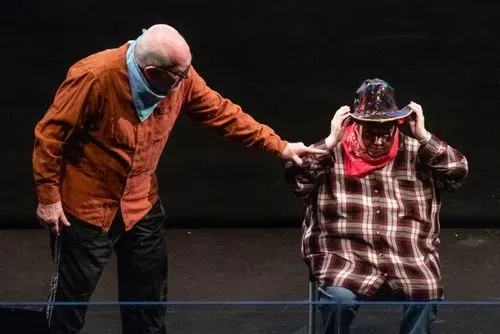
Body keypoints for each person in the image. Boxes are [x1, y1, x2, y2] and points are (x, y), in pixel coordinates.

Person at [32, 24, 325, 333]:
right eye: (179, 75)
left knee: (148, 305)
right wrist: (49, 199)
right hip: (87, 210)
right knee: (69, 305)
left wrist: (280, 146)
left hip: (141, 205)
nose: (187, 80)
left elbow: (221, 112)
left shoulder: (179, 75)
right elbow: (49, 137)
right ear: (151, 71)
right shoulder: (95, 76)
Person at [285, 78, 468, 334]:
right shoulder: (333, 153)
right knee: (339, 301)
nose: (380, 141)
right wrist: (328, 142)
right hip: (345, 255)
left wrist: (425, 137)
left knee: (425, 295)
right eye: (372, 133)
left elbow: (457, 171)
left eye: (386, 132)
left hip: (405, 255)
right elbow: (297, 180)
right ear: (356, 126)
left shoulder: (418, 152)